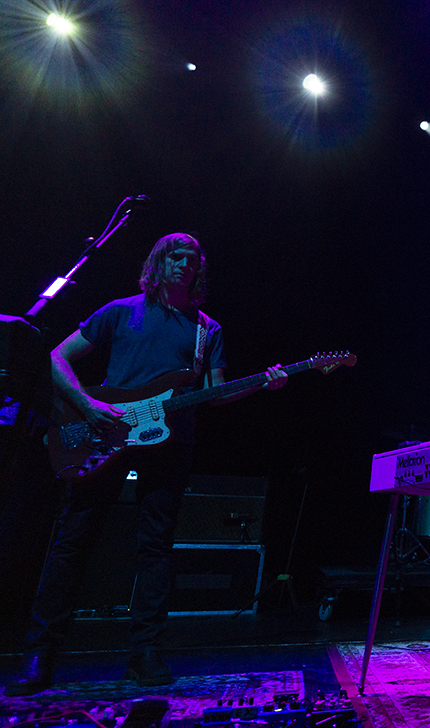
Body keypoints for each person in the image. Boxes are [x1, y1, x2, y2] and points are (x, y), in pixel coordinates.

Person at [5, 233, 288, 696]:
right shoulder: (120, 311)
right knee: (72, 541)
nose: (185, 264)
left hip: (170, 445)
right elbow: (58, 357)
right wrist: (87, 405)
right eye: (176, 257)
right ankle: (41, 652)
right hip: (105, 432)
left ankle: (146, 653)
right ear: (158, 263)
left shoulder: (206, 330)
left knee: (156, 547)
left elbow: (217, 392)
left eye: (193, 259)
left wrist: (262, 383)